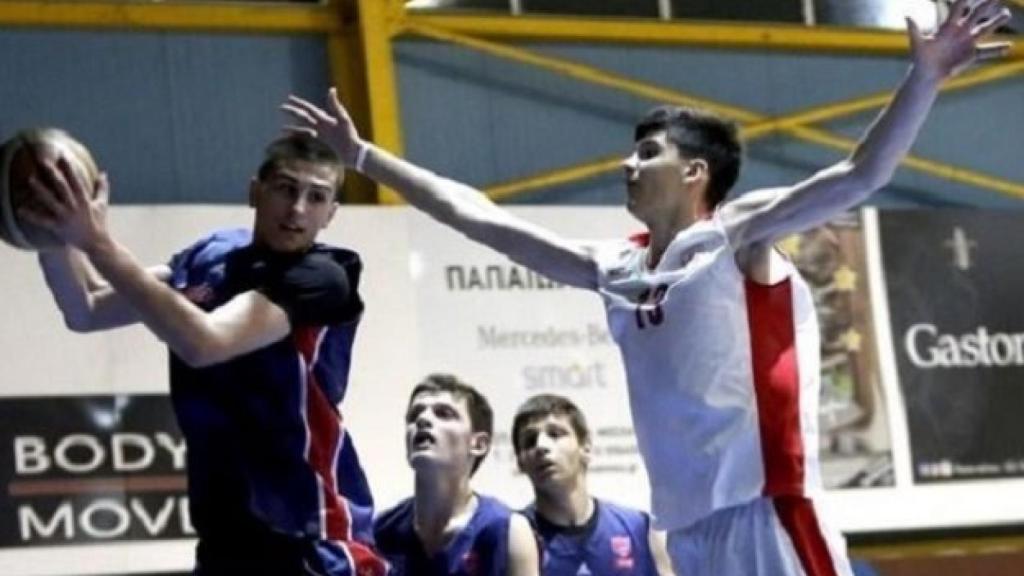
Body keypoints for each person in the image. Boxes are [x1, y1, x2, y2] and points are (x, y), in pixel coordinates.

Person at [282, 1, 1010, 573]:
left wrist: (926, 76)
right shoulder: (614, 269)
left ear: (695, 173)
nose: (628, 164)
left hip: (768, 512)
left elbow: (860, 176)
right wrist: (366, 156)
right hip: (686, 532)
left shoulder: (738, 234)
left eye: (648, 152)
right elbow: (475, 216)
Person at [19, 132, 388, 575]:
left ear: (331, 213)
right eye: (286, 189)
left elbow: (205, 343)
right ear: (256, 191)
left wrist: (97, 243)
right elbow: (87, 307)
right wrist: (52, 232)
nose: (297, 209)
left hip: (313, 537)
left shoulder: (324, 276)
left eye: (316, 197)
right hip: (225, 537)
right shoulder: (211, 255)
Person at [373, 373, 539, 575]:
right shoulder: (380, 531)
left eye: (444, 413)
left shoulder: (508, 531)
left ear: (478, 444)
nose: (423, 419)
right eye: (414, 415)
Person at [512, 394, 674, 576]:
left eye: (555, 434)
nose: (541, 446)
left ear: (586, 448)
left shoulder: (639, 528)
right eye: (529, 441)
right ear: (520, 463)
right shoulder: (510, 537)